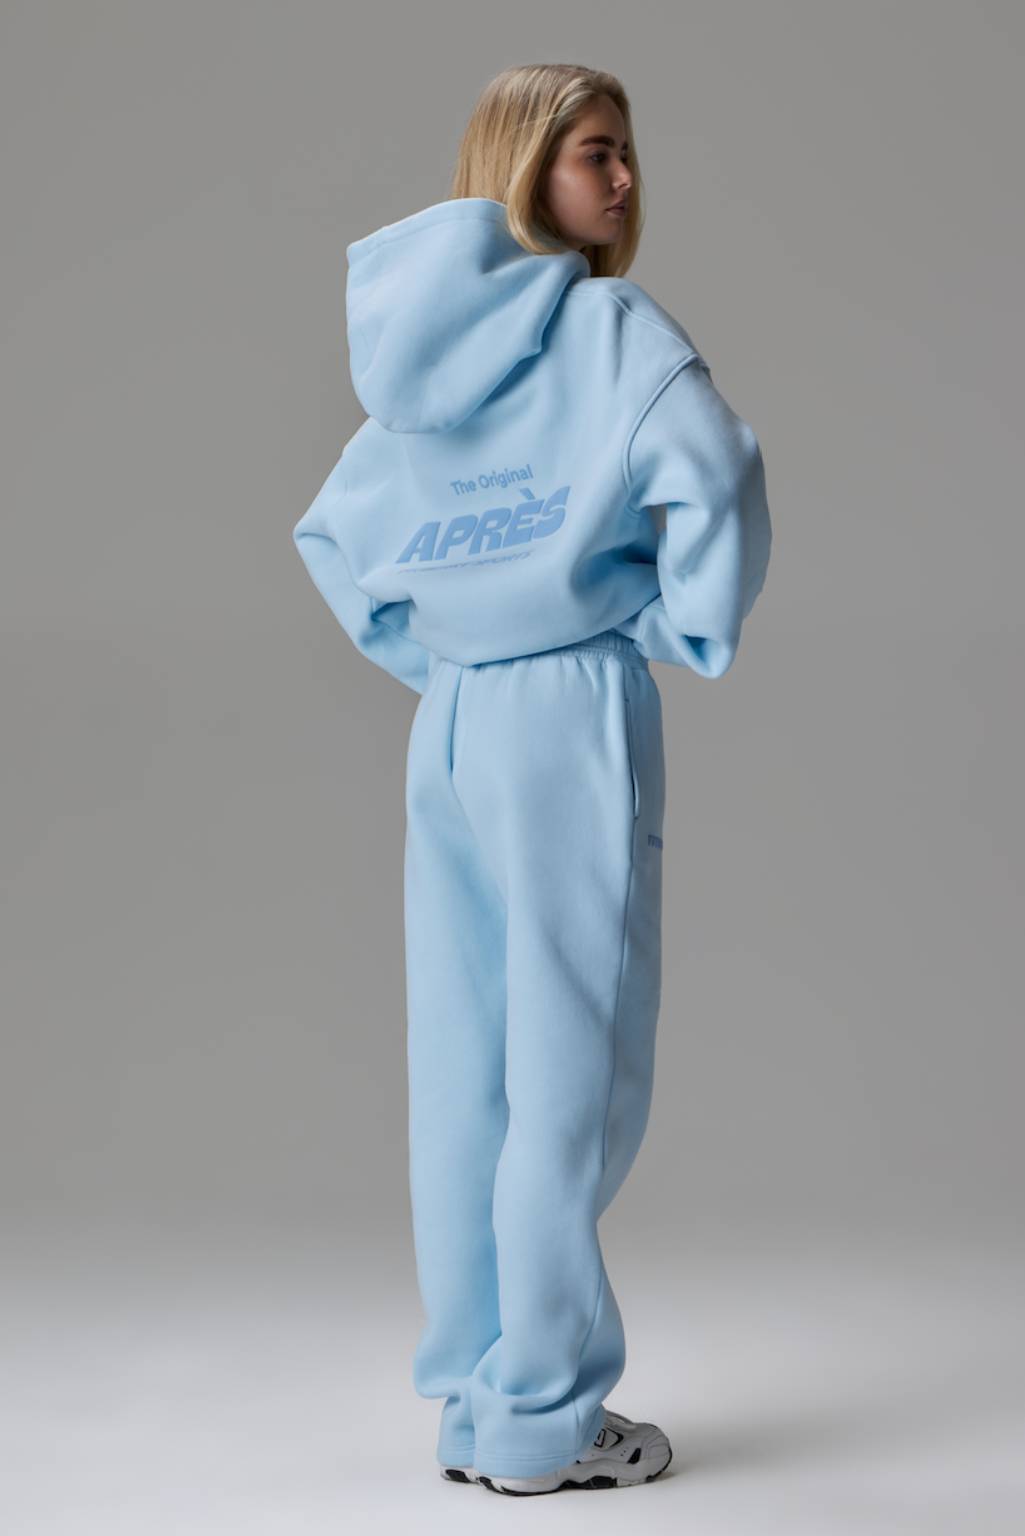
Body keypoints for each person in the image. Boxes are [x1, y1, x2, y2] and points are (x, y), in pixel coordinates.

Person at [292, 63, 772, 1496]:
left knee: (468, 1072)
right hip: (566, 708)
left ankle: (473, 1402)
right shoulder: (609, 327)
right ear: (524, 170)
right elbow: (717, 475)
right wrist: (668, 623)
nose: (621, 181)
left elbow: (334, 536)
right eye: (592, 153)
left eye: (624, 154)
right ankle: (545, 1418)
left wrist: (441, 647)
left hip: (455, 721)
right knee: (571, 1067)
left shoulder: (423, 353)